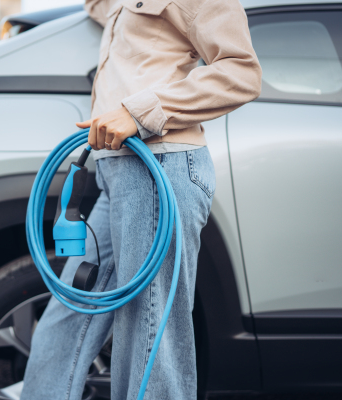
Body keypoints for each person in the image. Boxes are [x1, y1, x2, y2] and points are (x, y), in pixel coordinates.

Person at [21, 0, 262, 398]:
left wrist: (138, 113)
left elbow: (242, 72)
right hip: (118, 174)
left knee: (150, 333)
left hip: (159, 167)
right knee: (68, 315)